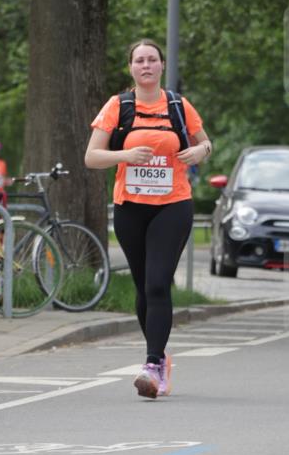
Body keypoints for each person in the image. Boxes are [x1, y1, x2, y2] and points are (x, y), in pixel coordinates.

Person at [85, 39, 212, 399]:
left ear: (160, 66)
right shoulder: (118, 106)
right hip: (130, 207)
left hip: (173, 205)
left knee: (158, 284)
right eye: (139, 60)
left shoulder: (178, 105)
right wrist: (125, 155)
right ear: (131, 68)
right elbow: (92, 157)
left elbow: (206, 144)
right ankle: (160, 358)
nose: (146, 65)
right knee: (143, 288)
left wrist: (199, 150)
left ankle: (153, 364)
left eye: (152, 60)